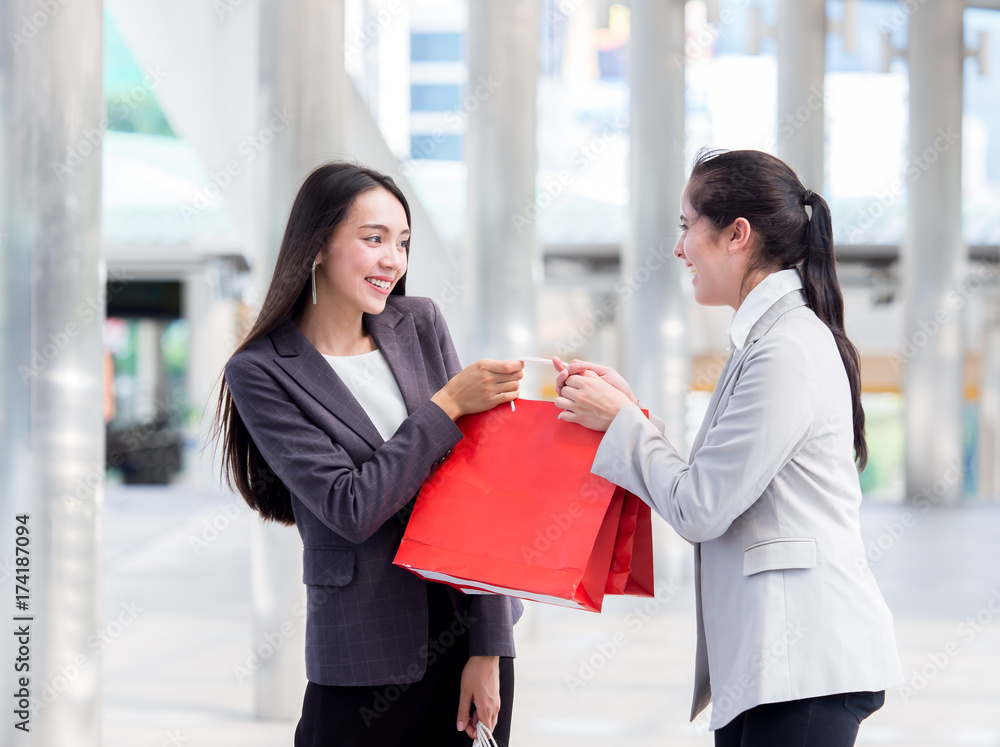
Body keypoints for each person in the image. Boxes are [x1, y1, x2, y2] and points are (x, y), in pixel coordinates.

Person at [553, 149, 903, 746]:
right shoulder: (769, 339)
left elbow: (700, 507)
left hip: (803, 669)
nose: (678, 248)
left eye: (687, 226)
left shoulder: (784, 349)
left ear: (737, 234)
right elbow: (716, 479)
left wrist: (623, 424)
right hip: (776, 668)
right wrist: (630, 414)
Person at [211, 162, 524, 746]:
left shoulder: (419, 322)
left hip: (465, 637)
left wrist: (490, 645)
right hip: (362, 648)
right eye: (373, 238)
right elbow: (349, 505)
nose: (393, 261)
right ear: (318, 246)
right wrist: (447, 405)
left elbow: (476, 493)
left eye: (402, 243)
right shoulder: (260, 372)